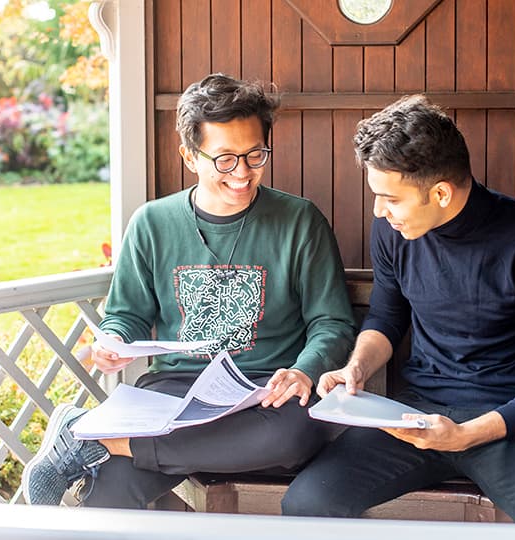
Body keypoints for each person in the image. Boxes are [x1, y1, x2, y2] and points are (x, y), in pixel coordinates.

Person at [21, 73, 357, 508]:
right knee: (113, 487)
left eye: (255, 155)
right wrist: (115, 340)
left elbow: (332, 322)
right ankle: (108, 449)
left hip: (268, 393)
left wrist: (304, 371)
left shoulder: (299, 221)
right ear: (189, 156)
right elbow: (126, 314)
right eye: (225, 159)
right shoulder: (152, 223)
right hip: (176, 392)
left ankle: (93, 440)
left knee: (293, 438)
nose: (242, 173)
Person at [280, 95, 515, 524]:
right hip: (416, 414)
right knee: (306, 504)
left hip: (510, 422)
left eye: (390, 198)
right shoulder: (392, 231)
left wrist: (466, 435)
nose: (378, 210)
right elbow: (387, 318)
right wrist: (357, 367)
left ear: (441, 193)